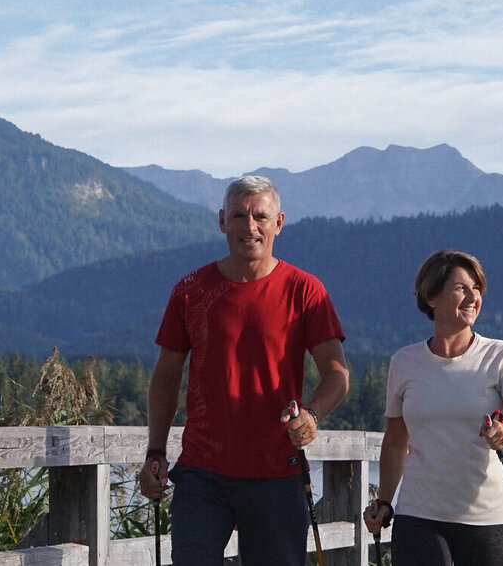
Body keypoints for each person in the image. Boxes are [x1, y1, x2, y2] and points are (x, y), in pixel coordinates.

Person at [137, 175, 350, 566]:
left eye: (260, 216)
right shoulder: (190, 290)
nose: (249, 226)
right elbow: (166, 376)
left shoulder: (305, 291)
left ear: (279, 223)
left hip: (277, 471)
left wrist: (313, 415)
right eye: (239, 215)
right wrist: (155, 451)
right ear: (222, 221)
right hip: (202, 472)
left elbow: (337, 374)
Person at [362, 250, 503, 566]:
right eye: (461, 288)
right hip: (419, 516)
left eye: (477, 289)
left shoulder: (502, 356)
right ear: (431, 296)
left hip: (491, 519)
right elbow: (396, 441)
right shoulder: (404, 363)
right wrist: (385, 502)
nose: (473, 297)